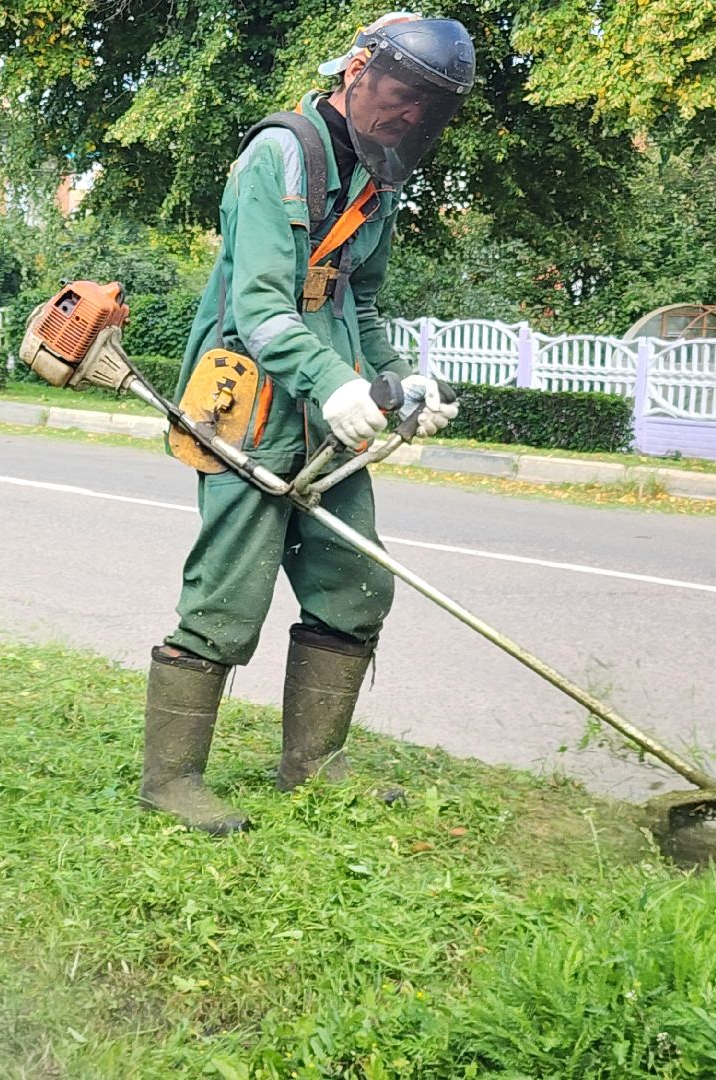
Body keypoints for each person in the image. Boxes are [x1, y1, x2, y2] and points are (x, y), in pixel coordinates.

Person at [141, 16, 476, 834]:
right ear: (358, 71)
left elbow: (360, 297)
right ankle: (171, 781)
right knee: (226, 598)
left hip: (333, 407)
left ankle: (315, 764)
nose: (408, 122)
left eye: (426, 113)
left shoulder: (378, 179)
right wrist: (333, 383)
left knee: (355, 584)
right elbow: (257, 306)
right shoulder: (279, 155)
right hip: (249, 401)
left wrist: (398, 380)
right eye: (402, 100)